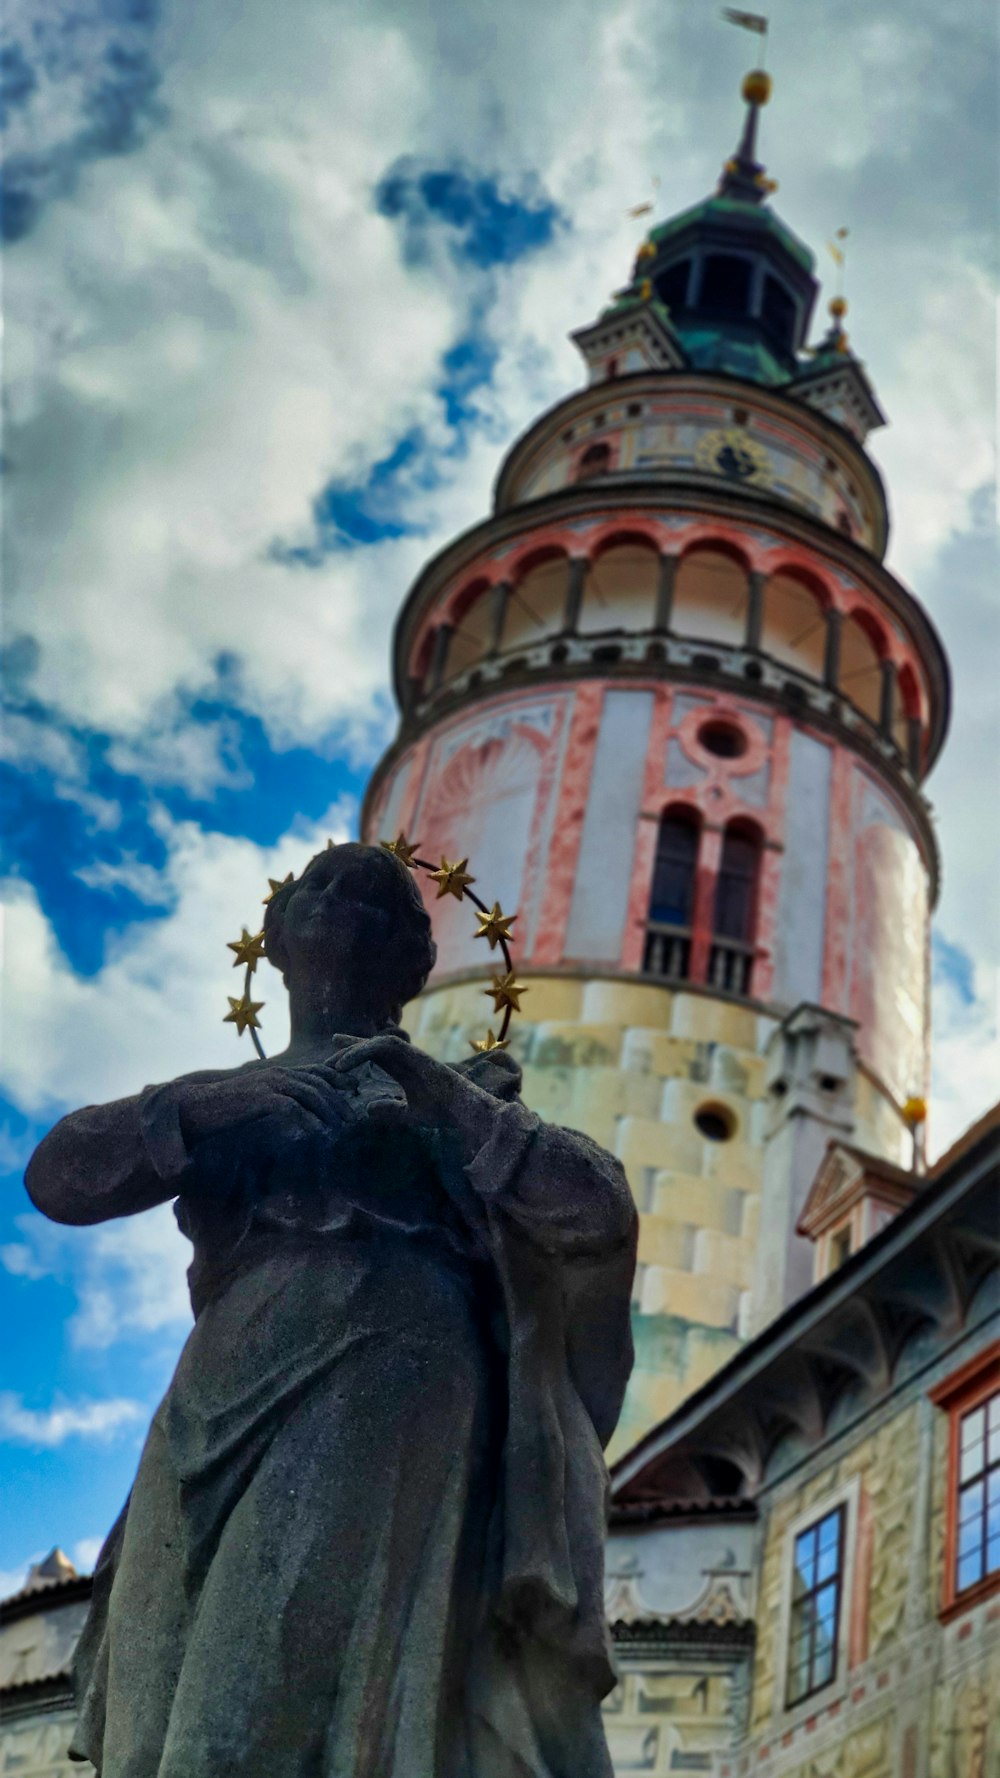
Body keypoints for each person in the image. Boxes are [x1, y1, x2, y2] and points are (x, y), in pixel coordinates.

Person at [25, 841, 638, 1778]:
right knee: (146, 1729)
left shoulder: (465, 1093)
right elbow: (59, 1176)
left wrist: (446, 1104)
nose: (345, 891)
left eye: (380, 899)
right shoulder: (224, 1100)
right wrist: (213, 1101)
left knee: (239, 1729)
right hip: (215, 1379)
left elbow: (597, 1211)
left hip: (383, 1364)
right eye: (320, 884)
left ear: (419, 960)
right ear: (272, 937)